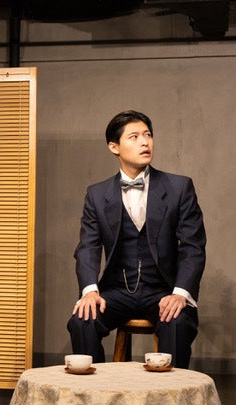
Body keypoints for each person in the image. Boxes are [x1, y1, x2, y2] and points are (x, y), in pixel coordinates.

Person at [67, 110, 206, 369]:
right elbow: (87, 247)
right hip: (117, 291)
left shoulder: (179, 187)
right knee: (82, 320)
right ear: (114, 147)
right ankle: (94, 392)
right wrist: (90, 291)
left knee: (176, 322)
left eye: (148, 135)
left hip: (163, 290)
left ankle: (172, 394)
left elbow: (193, 247)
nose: (145, 142)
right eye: (134, 137)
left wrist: (179, 294)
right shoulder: (97, 194)